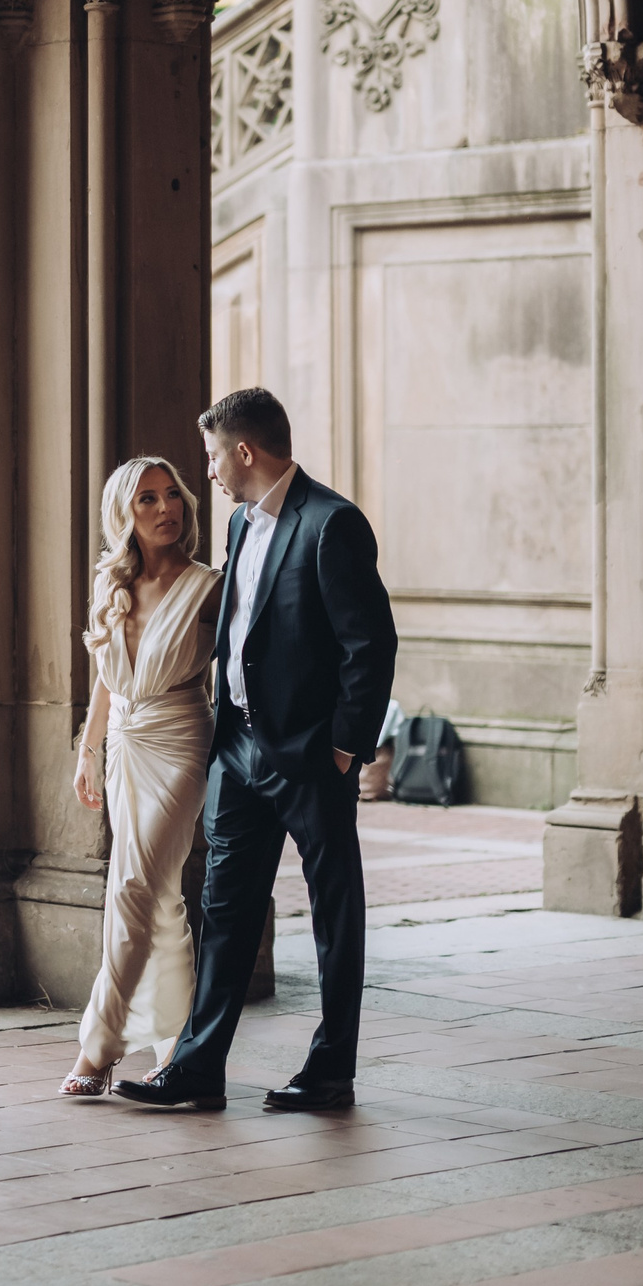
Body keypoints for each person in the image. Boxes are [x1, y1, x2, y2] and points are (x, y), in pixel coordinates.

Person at [115, 388, 396, 1114]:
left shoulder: (332, 523)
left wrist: (344, 748)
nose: (207, 471)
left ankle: (330, 1071)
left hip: (312, 758)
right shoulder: (240, 521)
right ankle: (198, 1068)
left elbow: (370, 646)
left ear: (244, 451)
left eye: (212, 457)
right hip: (237, 750)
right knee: (225, 909)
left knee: (334, 914)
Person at [60, 457, 224, 1097]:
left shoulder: (209, 586)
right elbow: (108, 675)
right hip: (125, 745)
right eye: (147, 499)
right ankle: (177, 1047)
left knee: (132, 886)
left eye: (172, 495)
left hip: (181, 741)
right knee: (158, 897)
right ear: (123, 514)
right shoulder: (113, 584)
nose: (165, 509)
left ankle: (97, 1052)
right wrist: (88, 748)